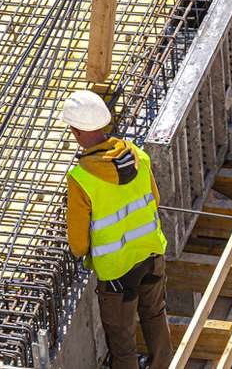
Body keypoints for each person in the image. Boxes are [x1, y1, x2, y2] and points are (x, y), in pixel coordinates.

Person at [62, 90, 171, 369]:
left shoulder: (81, 178)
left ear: (75, 130)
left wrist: (87, 254)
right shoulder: (138, 156)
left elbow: (77, 242)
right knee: (155, 315)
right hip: (151, 254)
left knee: (122, 341)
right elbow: (154, 200)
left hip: (116, 272)